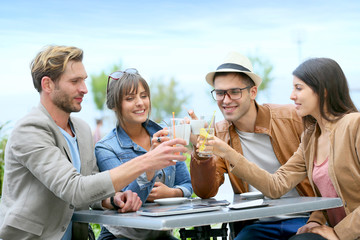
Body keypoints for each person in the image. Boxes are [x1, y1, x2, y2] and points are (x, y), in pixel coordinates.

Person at [0, 45, 188, 240]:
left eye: (84, 80)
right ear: (47, 85)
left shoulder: (81, 129)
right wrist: (148, 160)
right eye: (75, 81)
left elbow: (93, 187)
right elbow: (75, 189)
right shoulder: (29, 130)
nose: (84, 89)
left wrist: (112, 199)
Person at [201, 57, 360, 240]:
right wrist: (226, 152)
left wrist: (338, 233)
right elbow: (276, 186)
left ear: (323, 92)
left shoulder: (354, 124)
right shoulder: (310, 137)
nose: (292, 96)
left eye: (299, 88)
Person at [189, 51, 315, 240]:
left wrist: (319, 218)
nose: (226, 99)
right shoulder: (219, 133)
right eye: (220, 93)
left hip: (304, 219)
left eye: (234, 92)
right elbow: (206, 192)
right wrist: (201, 154)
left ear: (253, 92)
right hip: (257, 226)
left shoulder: (291, 118)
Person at [95, 68, 193, 240]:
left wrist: (172, 193)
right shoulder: (106, 148)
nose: (140, 103)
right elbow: (127, 201)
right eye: (130, 98)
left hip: (159, 235)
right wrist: (150, 165)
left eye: (143, 95)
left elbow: (186, 184)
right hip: (120, 236)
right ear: (115, 106)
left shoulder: (166, 136)